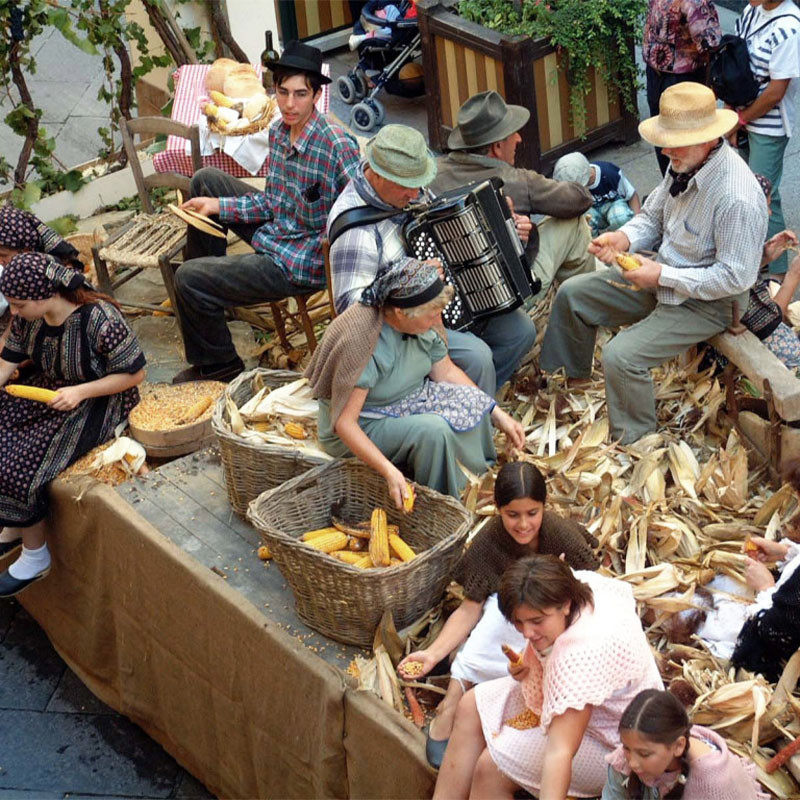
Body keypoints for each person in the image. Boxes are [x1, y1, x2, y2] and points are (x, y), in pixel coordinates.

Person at [540, 82, 768, 445]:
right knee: (573, 294)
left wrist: (661, 274)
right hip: (665, 274)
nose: (665, 150)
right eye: (665, 139)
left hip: (711, 303)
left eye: (675, 141)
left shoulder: (735, 196)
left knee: (621, 356)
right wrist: (623, 238)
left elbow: (734, 277)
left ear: (709, 138)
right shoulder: (685, 163)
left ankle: (638, 444)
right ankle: (568, 387)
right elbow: (652, 216)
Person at [172, 40, 360, 384]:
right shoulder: (278, 131)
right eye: (283, 92)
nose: (289, 104)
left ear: (316, 96)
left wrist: (329, 249)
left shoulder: (336, 145)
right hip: (277, 229)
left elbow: (360, 212)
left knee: (187, 277)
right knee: (205, 181)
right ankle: (210, 304)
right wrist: (218, 205)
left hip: (299, 263)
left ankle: (219, 364)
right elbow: (272, 202)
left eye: (300, 94)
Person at [397, 461, 600, 768]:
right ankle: (453, 699)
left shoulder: (560, 535)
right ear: (498, 509)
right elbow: (469, 609)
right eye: (512, 515)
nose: (523, 524)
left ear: (544, 507)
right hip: (509, 622)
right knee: (494, 618)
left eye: (532, 513)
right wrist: (432, 653)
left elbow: (595, 587)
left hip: (555, 619)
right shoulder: (489, 544)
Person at [327, 123, 536, 396]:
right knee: (477, 357)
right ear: (377, 174)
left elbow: (448, 231)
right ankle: (466, 407)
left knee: (520, 331)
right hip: (401, 330)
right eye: (406, 186)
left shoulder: (410, 192)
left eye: (419, 183)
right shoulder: (355, 231)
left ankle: (467, 398)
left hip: (451, 304)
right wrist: (405, 284)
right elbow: (351, 314)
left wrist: (506, 228)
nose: (415, 194)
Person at [433, 555, 663, 799]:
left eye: (536, 621)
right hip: (590, 703)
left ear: (565, 605)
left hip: (618, 744)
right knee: (470, 705)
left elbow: (560, 752)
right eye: (518, 622)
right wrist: (529, 661)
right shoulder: (581, 583)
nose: (527, 633)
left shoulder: (580, 655)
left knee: (491, 767)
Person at [304, 258, 524, 504]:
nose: (437, 319)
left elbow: (446, 372)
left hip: (408, 400)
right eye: (432, 315)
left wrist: (496, 413)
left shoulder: (422, 323)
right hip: (365, 420)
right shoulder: (365, 343)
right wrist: (389, 471)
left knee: (475, 402)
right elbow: (344, 424)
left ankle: (478, 479)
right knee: (433, 431)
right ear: (401, 313)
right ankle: (446, 502)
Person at [0, 253, 145, 596]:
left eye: (19, 305)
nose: (13, 313)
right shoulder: (29, 320)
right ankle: (14, 525)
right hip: (51, 391)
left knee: (16, 463)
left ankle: (36, 556)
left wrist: (80, 392)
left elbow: (135, 373)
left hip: (98, 399)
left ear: (44, 295)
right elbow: (5, 365)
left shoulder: (100, 319)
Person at [432, 91, 595, 304]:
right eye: (513, 133)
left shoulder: (432, 174)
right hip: (508, 296)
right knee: (575, 224)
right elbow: (579, 200)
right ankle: (582, 306)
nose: (519, 138)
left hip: (456, 296)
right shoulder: (516, 181)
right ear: (497, 147)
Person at [728, 0, 800, 275]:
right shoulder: (750, 12)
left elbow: (775, 92)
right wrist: (732, 115)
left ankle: (776, 274)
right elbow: (734, 63)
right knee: (752, 192)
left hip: (769, 128)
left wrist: (739, 120)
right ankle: (759, 261)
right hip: (743, 117)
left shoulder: (789, 27)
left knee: (763, 196)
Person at [603, 689, 767, 799]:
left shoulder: (714, 784)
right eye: (626, 748)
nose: (632, 762)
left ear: (678, 746)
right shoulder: (624, 759)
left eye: (644, 754)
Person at [695, 533, 800, 681]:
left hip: (774, 649)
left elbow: (781, 631)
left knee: (691, 612)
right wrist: (785, 553)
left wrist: (766, 588)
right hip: (773, 607)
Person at [643, 0, 722, 174]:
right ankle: (669, 183)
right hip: (656, 74)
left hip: (682, 78)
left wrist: (710, 87)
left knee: (683, 144)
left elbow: (710, 45)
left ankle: (687, 185)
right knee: (662, 137)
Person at [737, 174, 800, 371]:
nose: (770, 213)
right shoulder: (737, 259)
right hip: (749, 348)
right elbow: (767, 322)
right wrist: (794, 276)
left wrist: (763, 256)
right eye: (765, 207)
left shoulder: (732, 236)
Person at [0, 204, 85, 350]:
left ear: (25, 249)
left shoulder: (56, 280)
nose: (1, 261)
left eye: (3, 255)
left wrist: (6, 343)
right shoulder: (23, 272)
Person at [553, 152, 642, 238]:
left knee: (621, 217)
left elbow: (632, 196)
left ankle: (618, 237)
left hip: (612, 206)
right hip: (591, 211)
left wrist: (637, 224)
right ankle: (594, 242)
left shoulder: (610, 174)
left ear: (591, 175)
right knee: (583, 224)